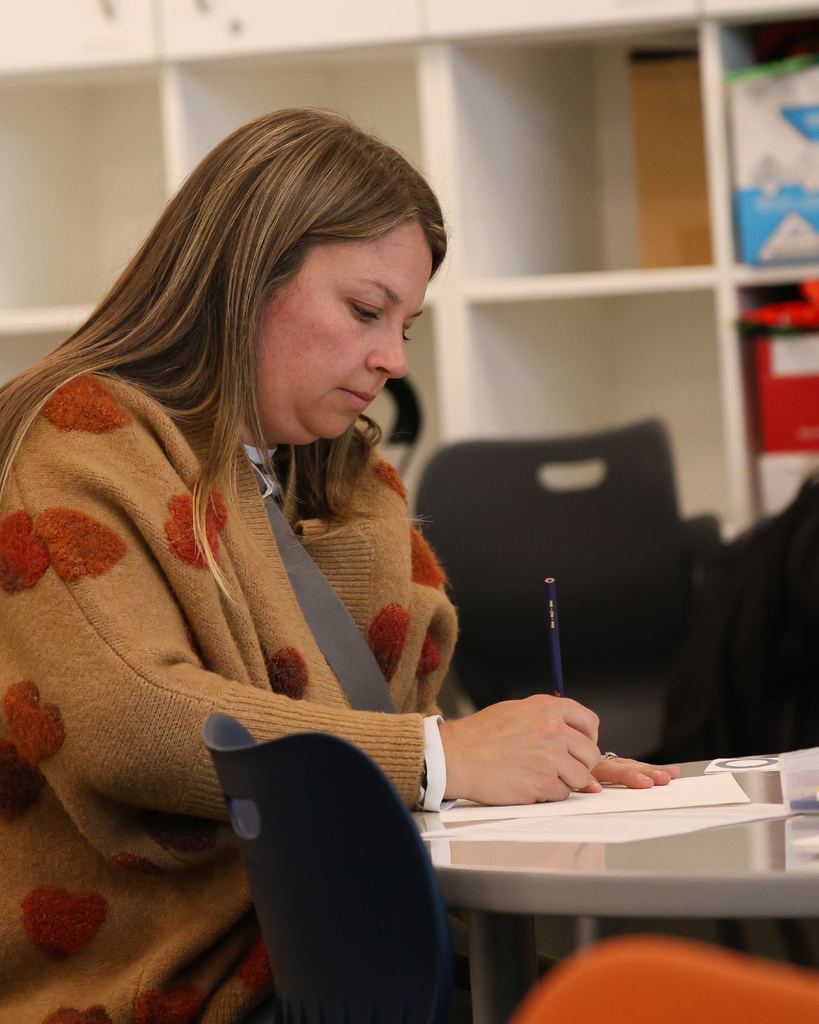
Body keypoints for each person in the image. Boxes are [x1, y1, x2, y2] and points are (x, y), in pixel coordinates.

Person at [0, 108, 678, 1023]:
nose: (391, 359)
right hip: (173, 987)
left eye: (408, 325)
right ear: (245, 276)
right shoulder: (73, 441)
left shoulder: (327, 473)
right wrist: (444, 754)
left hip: (336, 943)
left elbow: (378, 724)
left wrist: (533, 766)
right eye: (365, 311)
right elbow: (136, 720)